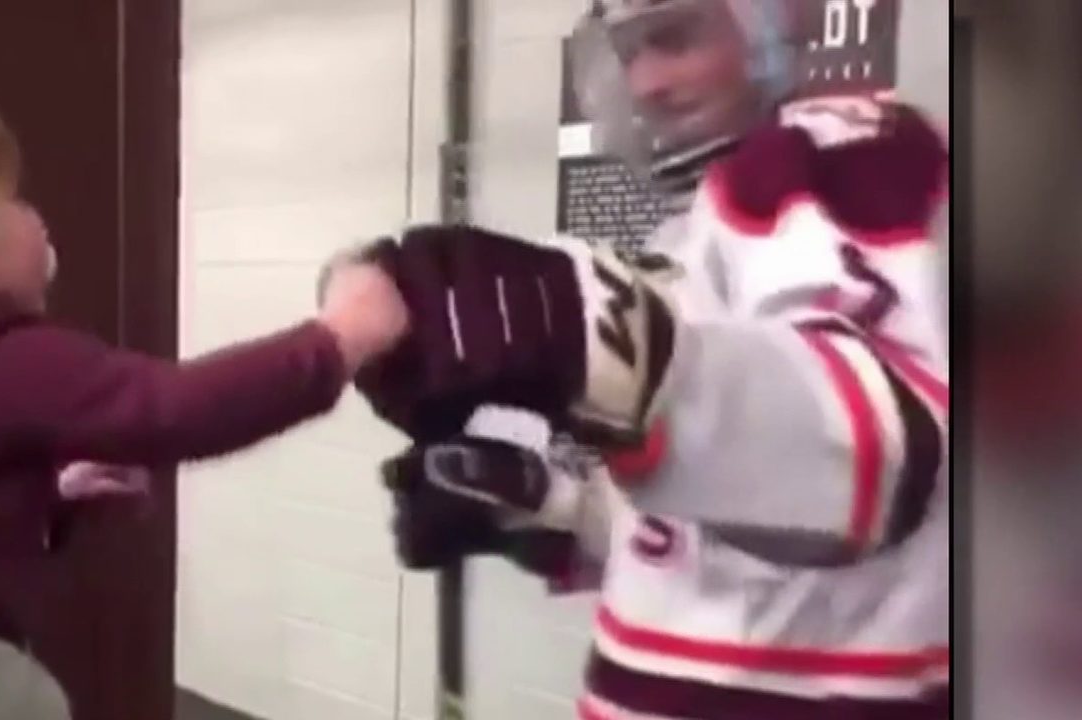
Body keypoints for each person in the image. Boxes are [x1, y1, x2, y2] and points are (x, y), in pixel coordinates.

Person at [357, 1, 950, 717]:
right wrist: (541, 507)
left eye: (673, 40)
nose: (643, 83)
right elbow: (720, 526)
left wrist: (594, 349)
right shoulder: (694, 227)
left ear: (774, 24)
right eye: (625, 53)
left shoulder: (845, 160)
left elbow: (886, 456)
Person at [0, 66, 408, 715]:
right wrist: (340, 338)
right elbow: (174, 407)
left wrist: (46, 497)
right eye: (12, 197)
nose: (35, 217)